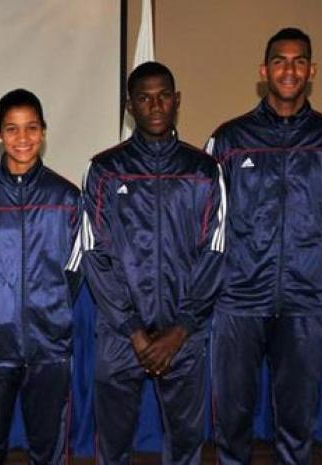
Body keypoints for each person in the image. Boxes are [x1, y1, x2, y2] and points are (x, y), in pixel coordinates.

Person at [205, 27, 322, 464]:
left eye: (298, 61)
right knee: (232, 417)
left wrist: (306, 263)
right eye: (279, 60)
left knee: (297, 418)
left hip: (303, 300)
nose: (289, 69)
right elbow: (210, 219)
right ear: (263, 70)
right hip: (239, 299)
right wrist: (239, 269)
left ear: (312, 71)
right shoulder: (229, 139)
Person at [82, 61, 226, 465]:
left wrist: (180, 330)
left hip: (184, 333)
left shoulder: (205, 171)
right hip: (120, 335)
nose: (156, 105)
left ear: (177, 100)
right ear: (131, 106)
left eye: (163, 95)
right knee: (113, 445)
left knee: (185, 445)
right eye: (144, 98)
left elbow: (217, 252)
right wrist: (135, 332)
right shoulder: (104, 169)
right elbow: (95, 254)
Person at [0, 89, 83, 464]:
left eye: (31, 128)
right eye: (12, 129)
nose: (23, 138)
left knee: (48, 451)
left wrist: (52, 313)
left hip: (48, 346)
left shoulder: (65, 197)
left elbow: (76, 271)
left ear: (44, 131)